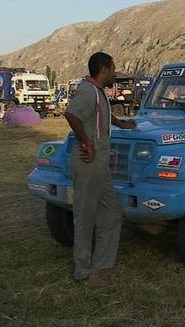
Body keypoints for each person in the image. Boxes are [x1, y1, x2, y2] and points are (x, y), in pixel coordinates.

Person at [64, 52, 136, 287]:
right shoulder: (87, 91)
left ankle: (102, 263)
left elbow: (102, 115)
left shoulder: (98, 92)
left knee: (112, 210)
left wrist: (121, 124)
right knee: (84, 217)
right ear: (104, 68)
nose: (115, 72)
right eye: (113, 68)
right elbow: (72, 114)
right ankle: (83, 272)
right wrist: (87, 143)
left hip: (100, 165)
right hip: (88, 162)